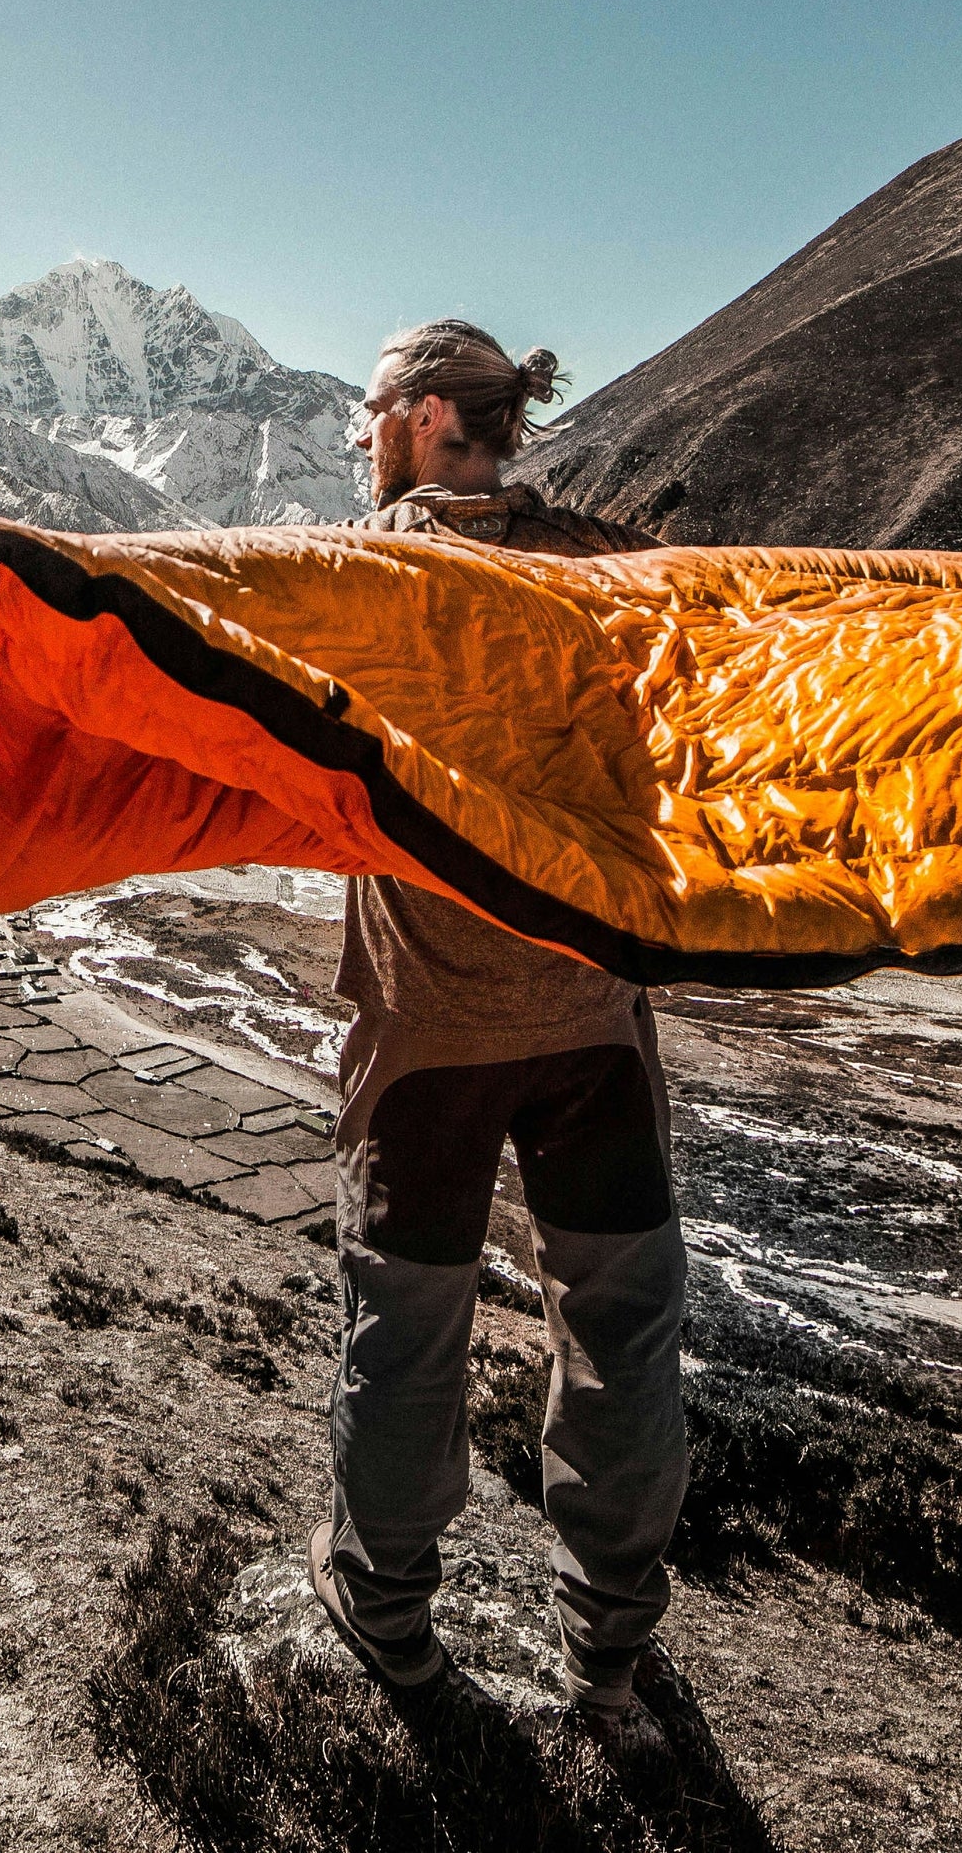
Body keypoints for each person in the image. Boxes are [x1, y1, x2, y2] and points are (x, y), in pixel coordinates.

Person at [307, 318, 694, 1750]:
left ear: (416, 421)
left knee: (408, 1338)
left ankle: (392, 1623)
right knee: (623, 1333)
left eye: (370, 418)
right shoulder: (605, 567)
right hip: (595, 1027)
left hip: (429, 1044)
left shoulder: (352, 581)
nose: (362, 441)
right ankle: (606, 1655)